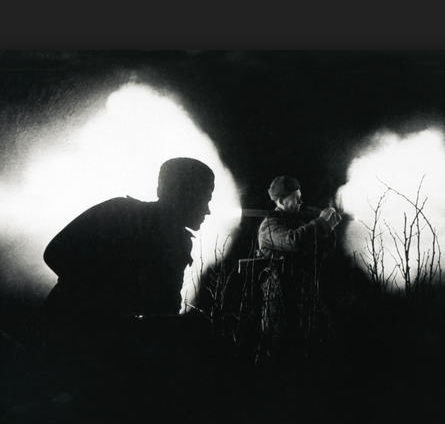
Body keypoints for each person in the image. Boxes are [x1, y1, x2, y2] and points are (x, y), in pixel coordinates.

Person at [41, 157, 215, 419]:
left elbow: (162, 308)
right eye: (205, 198)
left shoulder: (178, 240)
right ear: (182, 192)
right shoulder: (119, 213)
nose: (208, 210)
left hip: (120, 356)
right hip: (80, 349)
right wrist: (112, 311)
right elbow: (56, 253)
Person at [256, 175, 341, 364]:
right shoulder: (269, 226)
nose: (300, 202)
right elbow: (294, 241)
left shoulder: (296, 222)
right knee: (280, 348)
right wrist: (322, 223)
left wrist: (329, 227)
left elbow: (323, 248)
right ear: (280, 201)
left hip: (302, 292)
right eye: (295, 198)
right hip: (278, 296)